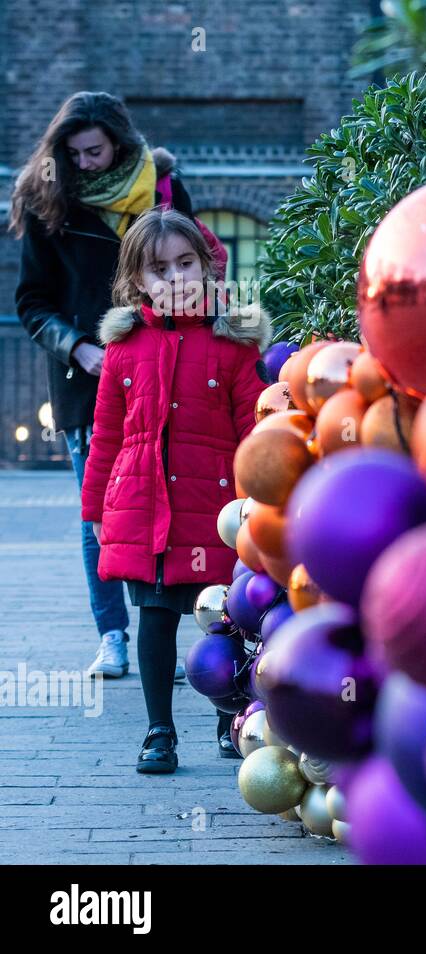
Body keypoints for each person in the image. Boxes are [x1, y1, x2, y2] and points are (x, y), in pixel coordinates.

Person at [11, 92, 203, 682]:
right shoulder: (49, 201)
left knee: (169, 502)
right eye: (73, 153)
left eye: (94, 150)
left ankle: (162, 634)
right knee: (99, 511)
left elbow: (200, 262)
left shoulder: (164, 189)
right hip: (84, 378)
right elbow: (31, 300)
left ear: (118, 141)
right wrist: (80, 346)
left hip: (166, 369)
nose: (85, 162)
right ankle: (113, 636)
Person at [80, 208, 269, 772]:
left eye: (186, 263)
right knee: (156, 620)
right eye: (159, 269)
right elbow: (106, 434)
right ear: (138, 279)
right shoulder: (124, 349)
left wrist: (256, 503)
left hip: (217, 513)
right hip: (147, 510)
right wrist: (95, 508)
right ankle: (159, 730)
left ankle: (226, 716)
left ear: (208, 267)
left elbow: (254, 435)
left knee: (225, 621)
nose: (175, 278)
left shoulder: (233, 346)